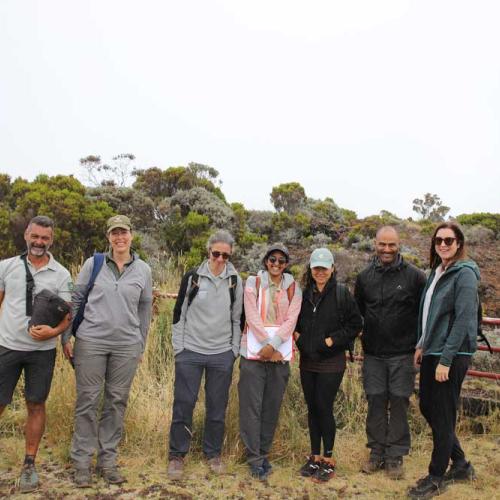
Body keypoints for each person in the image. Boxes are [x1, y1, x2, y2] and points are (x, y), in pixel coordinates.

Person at [62, 215, 153, 488]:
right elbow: (76, 299)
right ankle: (81, 464)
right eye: (114, 233)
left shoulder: (144, 270)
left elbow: (145, 309)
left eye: (123, 232)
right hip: (91, 341)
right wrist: (66, 336)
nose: (119, 237)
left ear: (132, 235)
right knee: (88, 402)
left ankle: (107, 462)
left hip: (126, 345)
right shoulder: (94, 264)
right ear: (108, 237)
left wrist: (140, 343)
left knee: (116, 402)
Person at [0, 215, 72, 493]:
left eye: (45, 238)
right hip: (7, 347)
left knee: (36, 404)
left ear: (51, 240)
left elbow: (68, 315)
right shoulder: (6, 267)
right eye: (35, 236)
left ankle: (29, 464)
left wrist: (53, 335)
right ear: (26, 236)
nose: (39, 242)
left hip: (41, 352)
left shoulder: (62, 273)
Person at [408, 222, 479, 499]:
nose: (444, 245)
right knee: (429, 407)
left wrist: (446, 360)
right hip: (431, 351)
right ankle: (460, 463)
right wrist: (420, 343)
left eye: (449, 240)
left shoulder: (465, 274)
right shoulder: (436, 272)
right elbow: (428, 313)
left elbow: (463, 320)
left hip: (451, 355)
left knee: (444, 413)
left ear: (459, 243)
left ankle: (436, 476)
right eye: (439, 240)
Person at [167, 230, 243, 480]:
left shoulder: (235, 281)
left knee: (217, 407)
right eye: (216, 253)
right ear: (208, 251)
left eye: (226, 255)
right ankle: (177, 456)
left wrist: (233, 351)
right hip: (190, 352)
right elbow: (179, 313)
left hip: (221, 354)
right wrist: (180, 348)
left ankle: (213, 454)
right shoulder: (193, 277)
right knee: (183, 404)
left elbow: (237, 319)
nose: (221, 259)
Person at [354, 226, 426, 479]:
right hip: (373, 354)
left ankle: (395, 456)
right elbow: (358, 312)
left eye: (391, 245)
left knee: (398, 401)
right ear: (375, 244)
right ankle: (376, 453)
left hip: (403, 354)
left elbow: (424, 314)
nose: (387, 249)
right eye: (382, 244)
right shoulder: (364, 277)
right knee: (374, 400)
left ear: (399, 245)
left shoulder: (415, 277)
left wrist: (421, 344)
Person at [294, 248, 362, 482]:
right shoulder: (303, 295)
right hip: (307, 361)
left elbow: (356, 324)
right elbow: (293, 320)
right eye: (316, 267)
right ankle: (314, 457)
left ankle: (328, 459)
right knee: (312, 408)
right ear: (311, 269)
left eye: (325, 267)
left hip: (331, 362)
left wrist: (332, 340)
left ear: (332, 268)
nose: (320, 271)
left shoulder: (342, 294)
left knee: (324, 407)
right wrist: (298, 338)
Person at [238, 244, 302, 480]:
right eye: (272, 259)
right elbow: (252, 315)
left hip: (278, 357)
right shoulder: (253, 283)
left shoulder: (294, 287)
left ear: (286, 264)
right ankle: (253, 457)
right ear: (266, 261)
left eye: (281, 261)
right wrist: (266, 345)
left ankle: (263, 453)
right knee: (250, 407)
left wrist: (273, 346)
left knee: (271, 407)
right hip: (254, 356)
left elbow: (292, 319)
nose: (276, 264)